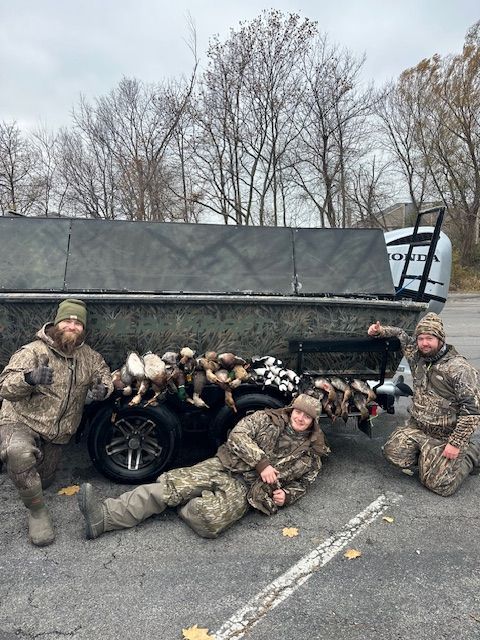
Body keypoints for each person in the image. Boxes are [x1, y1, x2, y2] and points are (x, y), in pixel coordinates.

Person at [77, 394, 329, 540]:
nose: (300, 418)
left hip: (247, 489)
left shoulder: (312, 455)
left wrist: (287, 496)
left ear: (313, 422)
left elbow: (304, 483)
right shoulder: (266, 418)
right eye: (298, 412)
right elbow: (237, 436)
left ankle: (189, 502)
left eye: (306, 417)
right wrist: (261, 462)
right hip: (225, 465)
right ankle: (104, 517)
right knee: (168, 488)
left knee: (208, 521)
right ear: (291, 409)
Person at [0, 298, 113, 546]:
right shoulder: (33, 351)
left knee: (45, 480)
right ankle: (37, 512)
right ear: (56, 323)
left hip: (56, 436)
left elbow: (105, 377)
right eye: (67, 320)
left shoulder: (90, 358)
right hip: (21, 421)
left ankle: (26, 472)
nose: (72, 326)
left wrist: (103, 389)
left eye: (77, 323)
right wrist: (30, 378)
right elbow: (5, 388)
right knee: (17, 453)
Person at [367, 312, 480, 496]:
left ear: (440, 339)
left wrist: (456, 443)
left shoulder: (459, 368)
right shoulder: (417, 356)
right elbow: (401, 335)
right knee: (393, 453)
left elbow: (473, 411)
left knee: (440, 485)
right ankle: (430, 457)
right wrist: (379, 331)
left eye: (430, 338)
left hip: (446, 435)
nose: (424, 343)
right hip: (419, 428)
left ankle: (470, 454)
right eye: (421, 338)